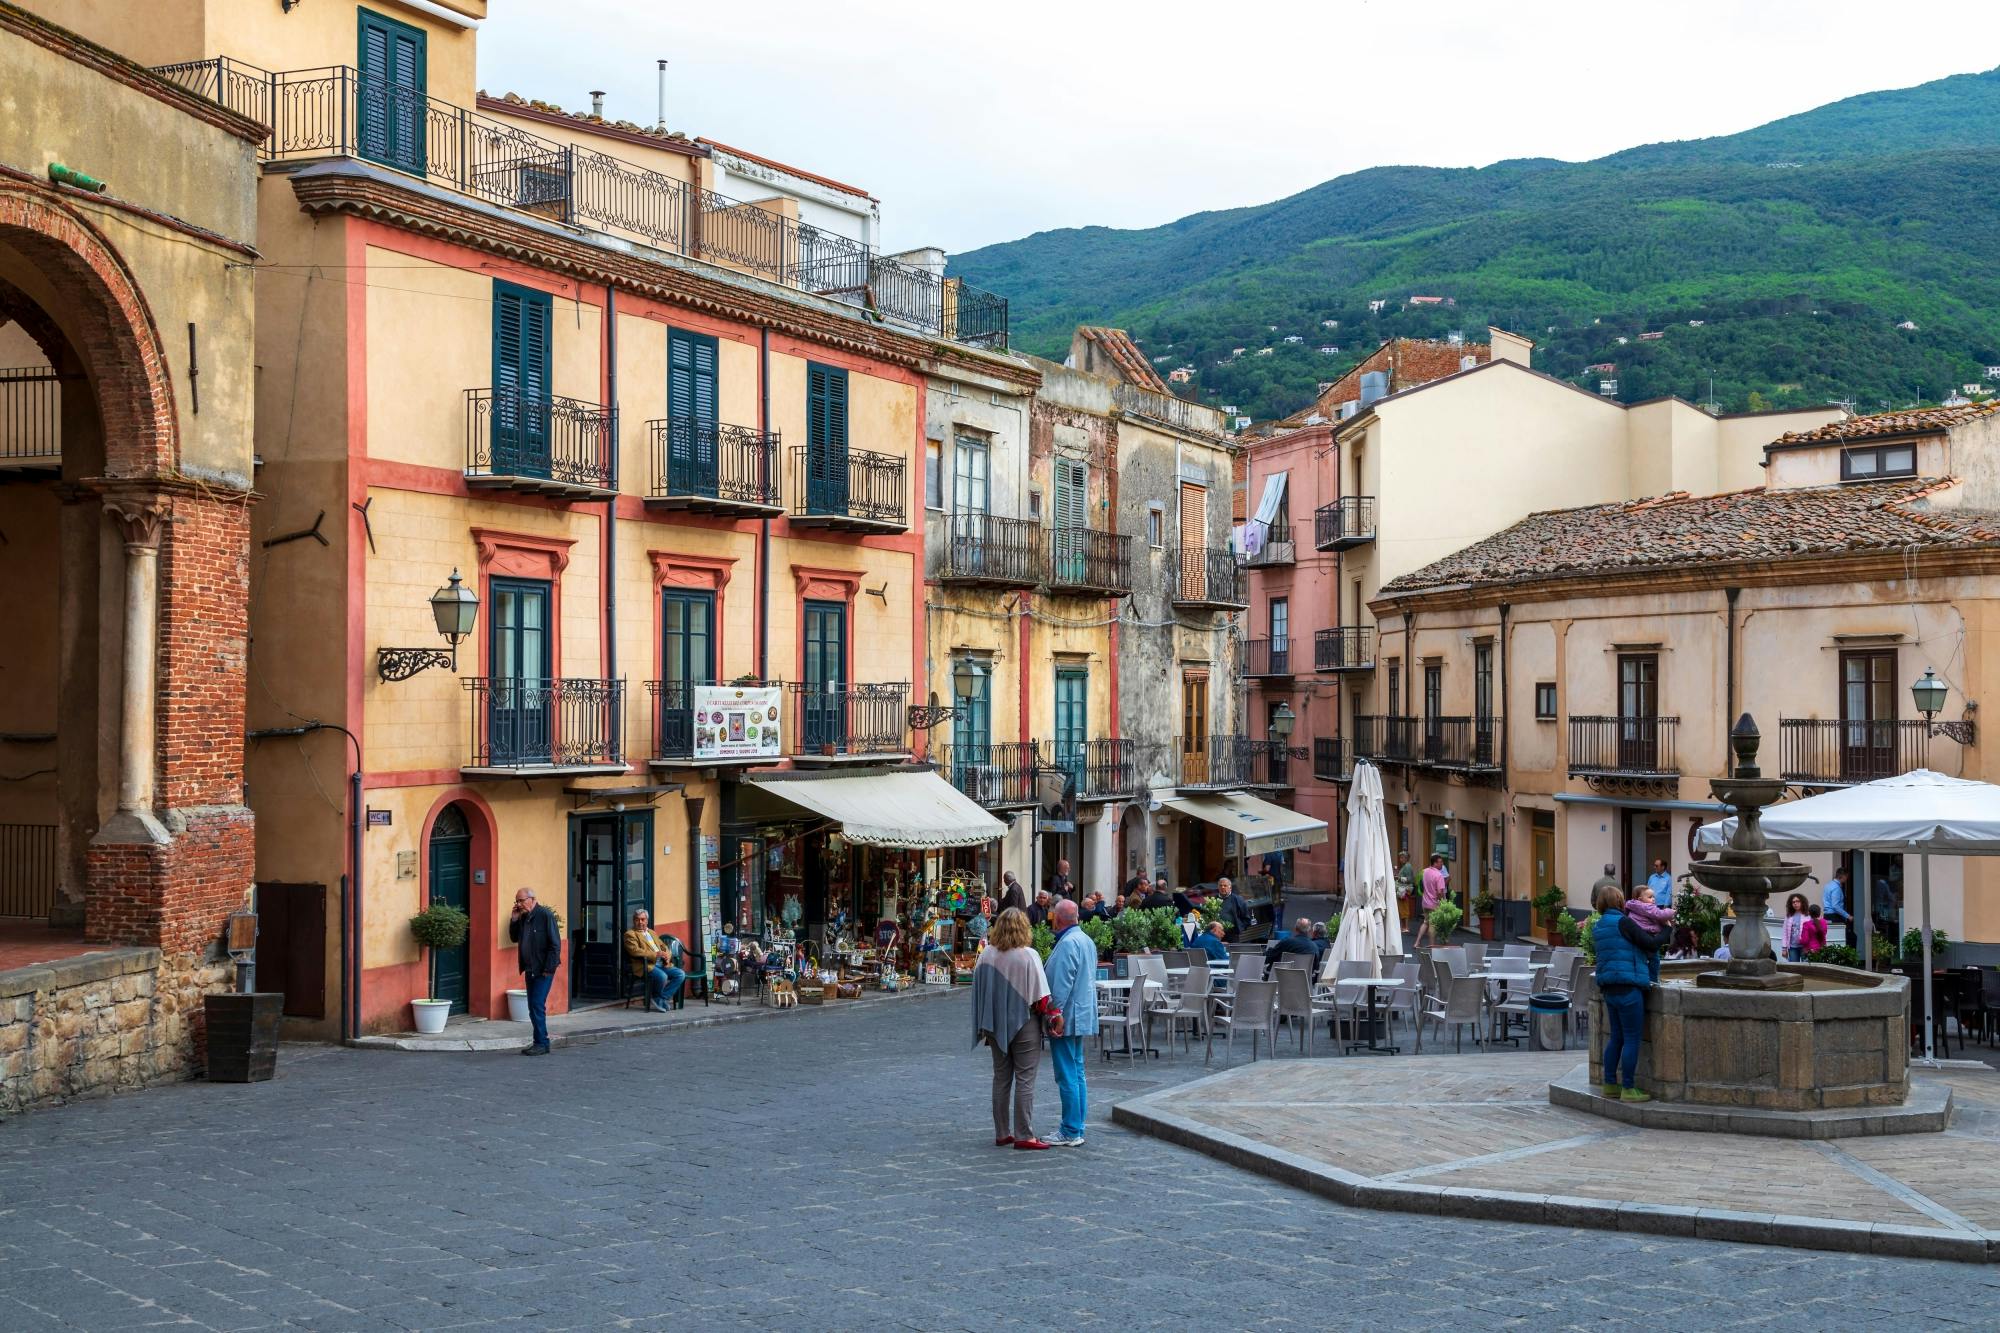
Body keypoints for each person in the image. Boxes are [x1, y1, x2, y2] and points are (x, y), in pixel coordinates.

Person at [971, 907, 1061, 1151]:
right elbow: (1041, 997)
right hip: (1024, 1023)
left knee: (1001, 1078)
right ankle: (1024, 1134)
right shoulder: (1028, 955)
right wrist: (1053, 1017)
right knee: (1025, 1078)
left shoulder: (986, 954)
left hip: (994, 1023)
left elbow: (978, 990)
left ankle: (1002, 1133)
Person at [1590, 884, 1656, 1102]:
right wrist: (1666, 928)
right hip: (1629, 986)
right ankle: (1628, 1087)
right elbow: (1649, 943)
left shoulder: (1598, 926)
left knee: (1616, 1037)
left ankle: (1609, 1084)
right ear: (1619, 901)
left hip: (1609, 988)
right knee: (1632, 1039)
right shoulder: (1624, 922)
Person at [1041, 899, 1097, 1147]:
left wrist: (1055, 1014)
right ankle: (1077, 1125)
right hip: (1081, 1013)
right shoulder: (1085, 940)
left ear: (1059, 918)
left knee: (1067, 1074)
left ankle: (1071, 1129)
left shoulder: (1068, 943)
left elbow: (1061, 983)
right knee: (1077, 1071)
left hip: (1068, 1016)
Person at [508, 887, 562, 1055]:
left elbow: (555, 944)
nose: (519, 904)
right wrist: (515, 919)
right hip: (530, 969)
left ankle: (542, 1043)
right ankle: (539, 1041)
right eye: (517, 901)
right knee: (532, 1007)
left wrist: (548, 968)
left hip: (543, 970)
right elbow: (514, 937)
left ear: (532, 899)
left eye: (521, 901)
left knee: (537, 1005)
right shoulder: (524, 918)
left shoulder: (545, 915)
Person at [622, 909, 685, 1013]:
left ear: (647, 921)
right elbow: (635, 951)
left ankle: (662, 998)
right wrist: (656, 954)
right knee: (662, 976)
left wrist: (667, 955)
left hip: (661, 963)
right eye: (637, 920)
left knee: (680, 974)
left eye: (643, 919)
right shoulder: (630, 934)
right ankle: (656, 997)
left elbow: (663, 946)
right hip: (645, 965)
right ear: (634, 921)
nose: (640, 922)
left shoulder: (651, 932)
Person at [1412, 854, 1449, 948]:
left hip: (1425, 902)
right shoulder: (1439, 875)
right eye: (1440, 862)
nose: (1442, 864)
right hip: (1434, 903)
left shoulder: (1425, 872)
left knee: (1426, 922)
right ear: (1435, 863)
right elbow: (1440, 891)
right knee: (1433, 924)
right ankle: (1432, 945)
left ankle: (1417, 942)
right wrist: (1443, 902)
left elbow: (1421, 884)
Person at [1216, 876, 1251, 942]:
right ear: (1218, 887)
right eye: (1220, 885)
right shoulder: (1213, 900)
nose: (1222, 887)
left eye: (1225, 885)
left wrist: (1239, 929)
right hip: (1217, 935)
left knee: (1232, 951)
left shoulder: (1238, 900)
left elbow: (1246, 919)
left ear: (1230, 888)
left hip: (1232, 935)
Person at [1822, 869, 1852, 947]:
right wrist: (1848, 916)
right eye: (1847, 876)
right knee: (1846, 938)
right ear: (1842, 876)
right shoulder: (1836, 888)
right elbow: (1835, 906)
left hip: (1827, 915)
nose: (1847, 878)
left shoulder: (1828, 885)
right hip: (1835, 916)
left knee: (1831, 939)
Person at [1781, 892, 1809, 962]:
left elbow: (1812, 932)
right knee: (1793, 968)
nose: (1795, 904)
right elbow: (1785, 932)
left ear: (1802, 902)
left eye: (1797, 901)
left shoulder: (1808, 915)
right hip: (1792, 947)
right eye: (1793, 902)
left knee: (1806, 969)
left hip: (1805, 947)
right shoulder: (1789, 916)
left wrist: (1811, 947)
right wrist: (1784, 949)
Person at [1394, 851, 1417, 929]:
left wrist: (1398, 878)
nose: (1400, 859)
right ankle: (1403, 926)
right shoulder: (1405, 866)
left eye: (1401, 857)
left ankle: (1405, 927)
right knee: (1402, 907)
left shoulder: (1407, 866)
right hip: (1401, 889)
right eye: (1400, 857)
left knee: (1404, 908)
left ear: (1406, 858)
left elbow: (1410, 879)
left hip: (1404, 889)